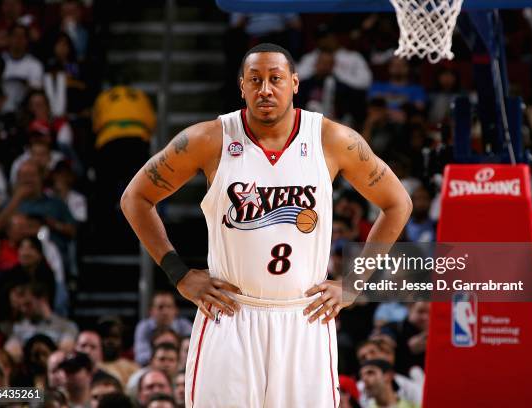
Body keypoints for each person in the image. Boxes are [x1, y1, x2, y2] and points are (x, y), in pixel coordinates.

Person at [121, 43, 412, 407]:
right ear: (241, 86)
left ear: (294, 83)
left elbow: (398, 203)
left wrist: (353, 284)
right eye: (254, 80)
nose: (265, 89)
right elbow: (135, 198)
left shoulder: (332, 139)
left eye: (275, 79)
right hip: (231, 315)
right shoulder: (209, 139)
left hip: (304, 317)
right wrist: (178, 273)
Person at [134, 291, 192, 366]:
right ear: (151, 311)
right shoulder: (144, 327)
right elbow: (141, 358)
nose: (165, 312)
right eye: (160, 307)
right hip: (151, 368)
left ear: (176, 310)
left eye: (169, 307)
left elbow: (193, 354)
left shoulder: (184, 325)